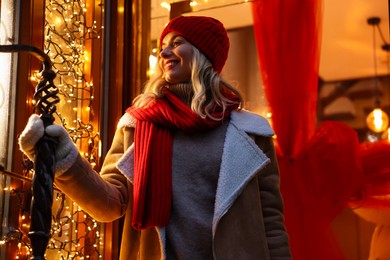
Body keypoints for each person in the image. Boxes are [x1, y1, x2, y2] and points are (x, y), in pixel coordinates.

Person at [19, 15, 291, 260]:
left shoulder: (251, 132)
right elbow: (109, 205)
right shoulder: (137, 124)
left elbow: (270, 222)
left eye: (177, 42)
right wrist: (64, 160)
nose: (164, 52)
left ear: (203, 53)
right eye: (163, 45)